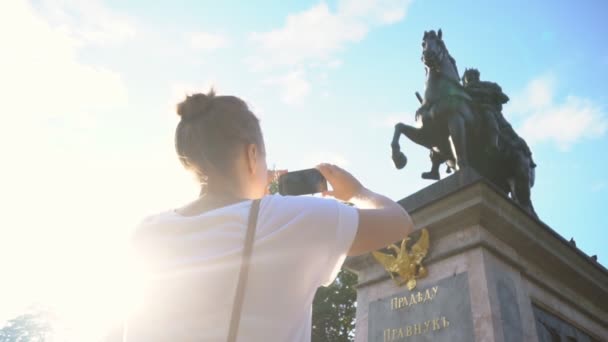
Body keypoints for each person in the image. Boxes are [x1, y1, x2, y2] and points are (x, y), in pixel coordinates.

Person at [124, 90, 413, 341]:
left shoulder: (147, 232)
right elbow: (398, 221)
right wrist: (356, 192)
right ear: (252, 155)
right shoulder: (287, 219)